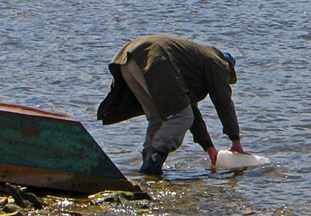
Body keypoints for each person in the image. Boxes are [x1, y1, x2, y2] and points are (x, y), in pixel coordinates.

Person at [97, 34, 249, 176]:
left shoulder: (195, 62)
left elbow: (190, 109)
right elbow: (223, 103)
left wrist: (209, 149)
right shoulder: (218, 63)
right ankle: (152, 161)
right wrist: (235, 141)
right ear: (229, 68)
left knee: (158, 118)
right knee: (181, 118)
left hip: (128, 58)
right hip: (154, 58)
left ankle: (148, 172)